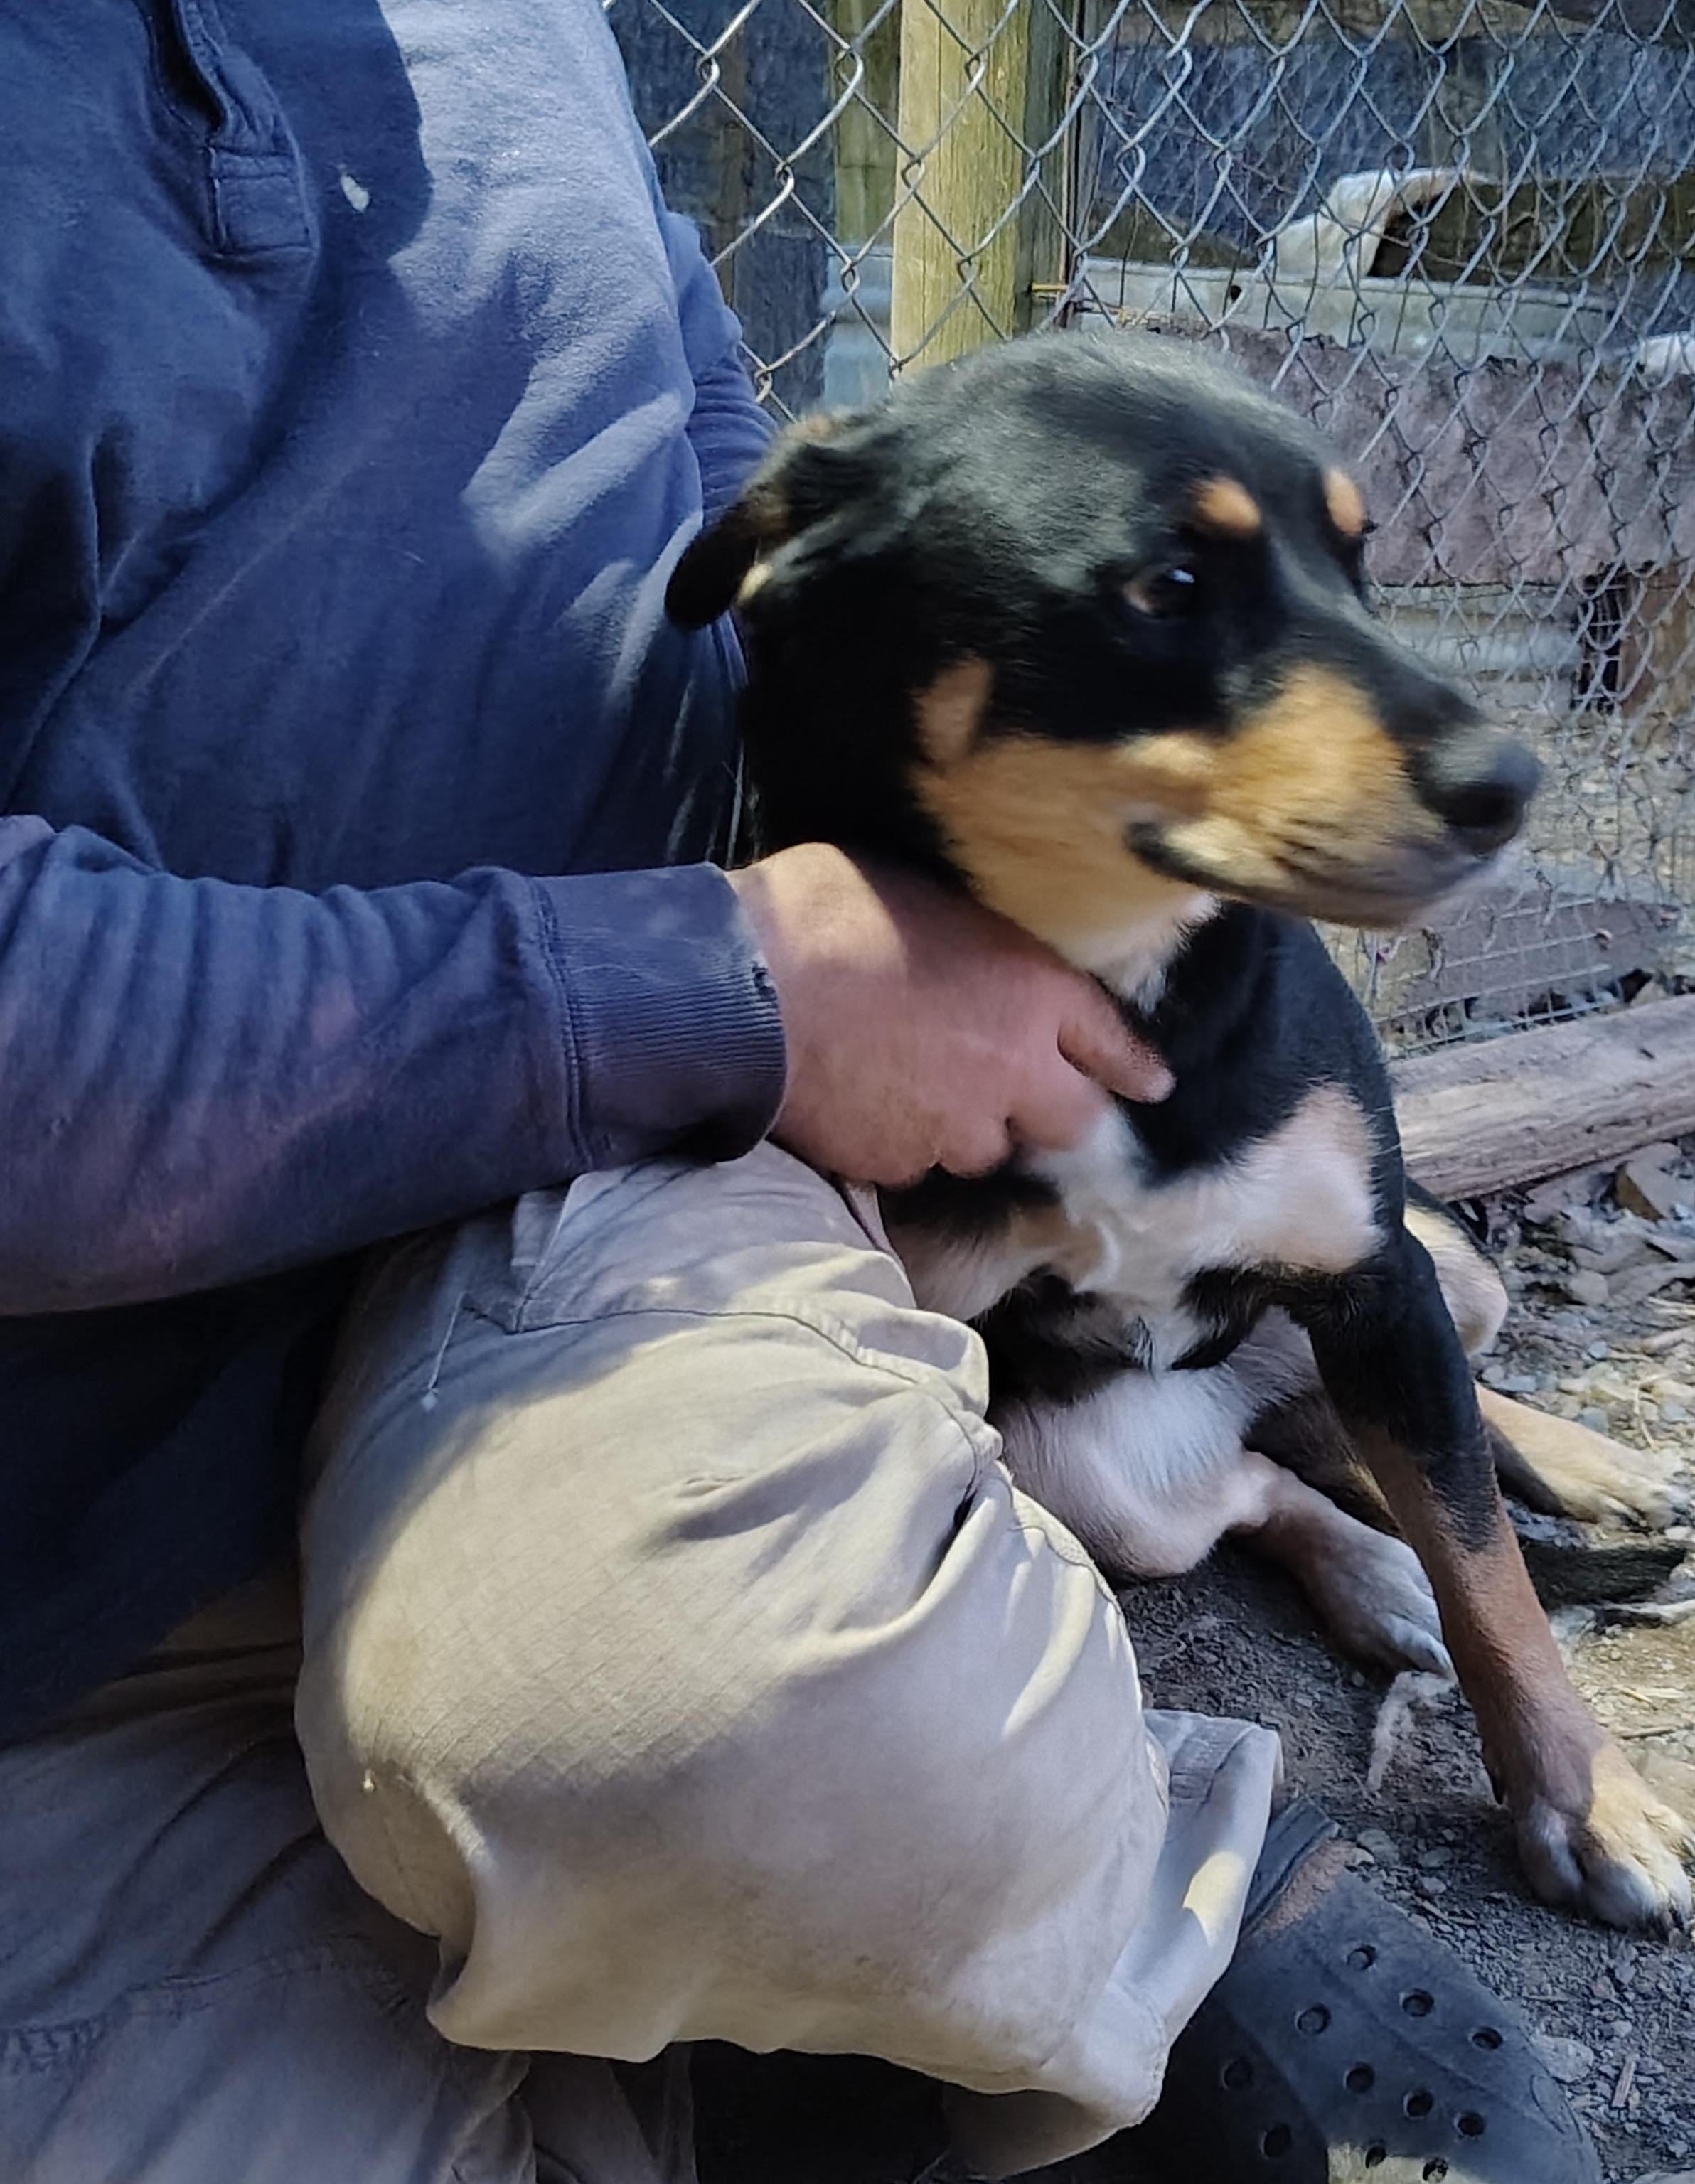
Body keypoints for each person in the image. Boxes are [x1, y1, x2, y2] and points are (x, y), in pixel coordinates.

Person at [0, 7, 1598, 2180]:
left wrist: (858, 893)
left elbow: (684, 423)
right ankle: (929, 1991)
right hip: (98, 1512)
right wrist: (729, 980)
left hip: (593, 1190)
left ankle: (1040, 1928)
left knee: (714, 1699)